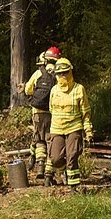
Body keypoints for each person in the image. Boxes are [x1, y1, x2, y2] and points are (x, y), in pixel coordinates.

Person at [45, 58, 93, 190]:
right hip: (57, 128)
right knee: (55, 158)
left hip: (74, 127)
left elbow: (85, 111)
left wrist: (88, 129)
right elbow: (51, 109)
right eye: (59, 73)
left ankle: (74, 187)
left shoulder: (79, 89)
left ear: (70, 72)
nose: (62, 76)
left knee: (72, 156)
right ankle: (64, 170)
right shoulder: (54, 90)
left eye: (65, 72)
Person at [22, 46, 62, 177]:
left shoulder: (39, 73)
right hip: (52, 113)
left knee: (39, 139)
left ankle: (40, 166)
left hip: (37, 112)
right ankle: (49, 173)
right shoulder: (59, 74)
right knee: (50, 141)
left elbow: (27, 89)